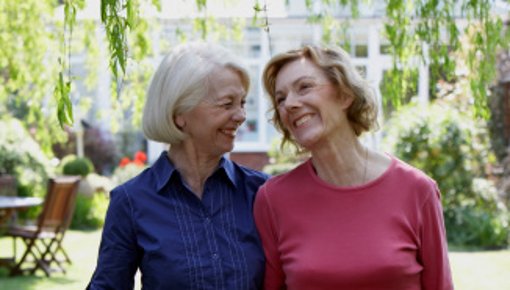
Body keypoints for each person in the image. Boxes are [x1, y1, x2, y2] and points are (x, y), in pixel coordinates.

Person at [253, 45, 453, 290]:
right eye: (280, 98)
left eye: (304, 87)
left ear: (345, 95)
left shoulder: (417, 190)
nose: (289, 104)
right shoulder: (273, 199)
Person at [88, 42, 269, 290]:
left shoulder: (261, 193)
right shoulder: (131, 201)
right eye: (227, 104)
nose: (240, 116)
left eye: (242, 103)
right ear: (179, 114)